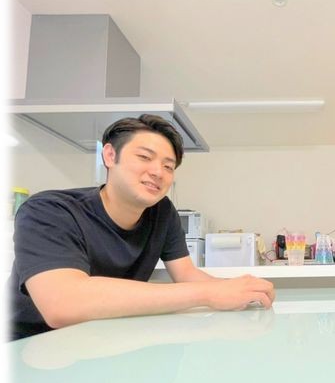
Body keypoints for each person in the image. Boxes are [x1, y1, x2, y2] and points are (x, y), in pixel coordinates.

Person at [9, 114, 275, 340]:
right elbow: (62, 304)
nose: (158, 172)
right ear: (110, 155)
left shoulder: (162, 212)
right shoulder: (49, 211)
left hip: (109, 338)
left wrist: (238, 291)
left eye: (168, 166)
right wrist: (208, 293)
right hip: (32, 347)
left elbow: (186, 274)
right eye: (145, 157)